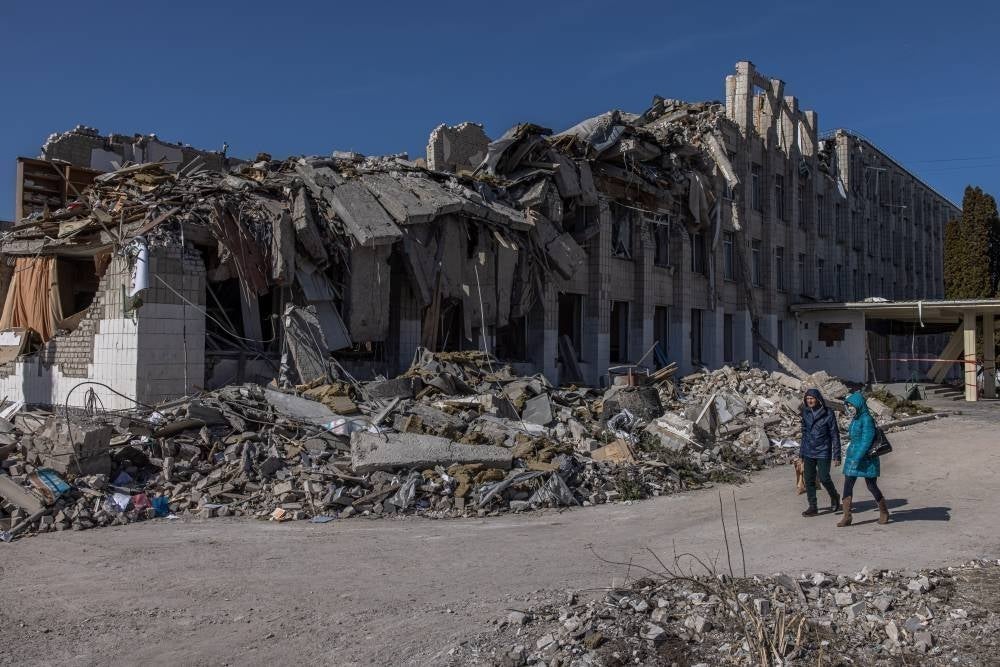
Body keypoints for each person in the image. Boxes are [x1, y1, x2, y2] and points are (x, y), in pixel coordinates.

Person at [838, 392, 889, 526]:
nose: (850, 408)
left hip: (866, 458)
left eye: (852, 405)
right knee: (847, 485)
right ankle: (847, 516)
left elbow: (866, 441)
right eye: (848, 406)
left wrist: (858, 457)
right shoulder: (856, 418)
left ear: (859, 405)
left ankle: (884, 511)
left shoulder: (867, 419)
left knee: (871, 486)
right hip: (853, 456)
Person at [798, 388, 841, 517]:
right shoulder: (805, 413)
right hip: (809, 451)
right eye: (808, 399)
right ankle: (813, 506)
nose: (810, 401)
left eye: (812, 398)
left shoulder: (828, 413)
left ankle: (834, 496)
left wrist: (837, 455)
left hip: (823, 451)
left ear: (818, 399)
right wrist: (801, 454)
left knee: (824, 477)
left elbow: (834, 434)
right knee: (809, 479)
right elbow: (804, 434)